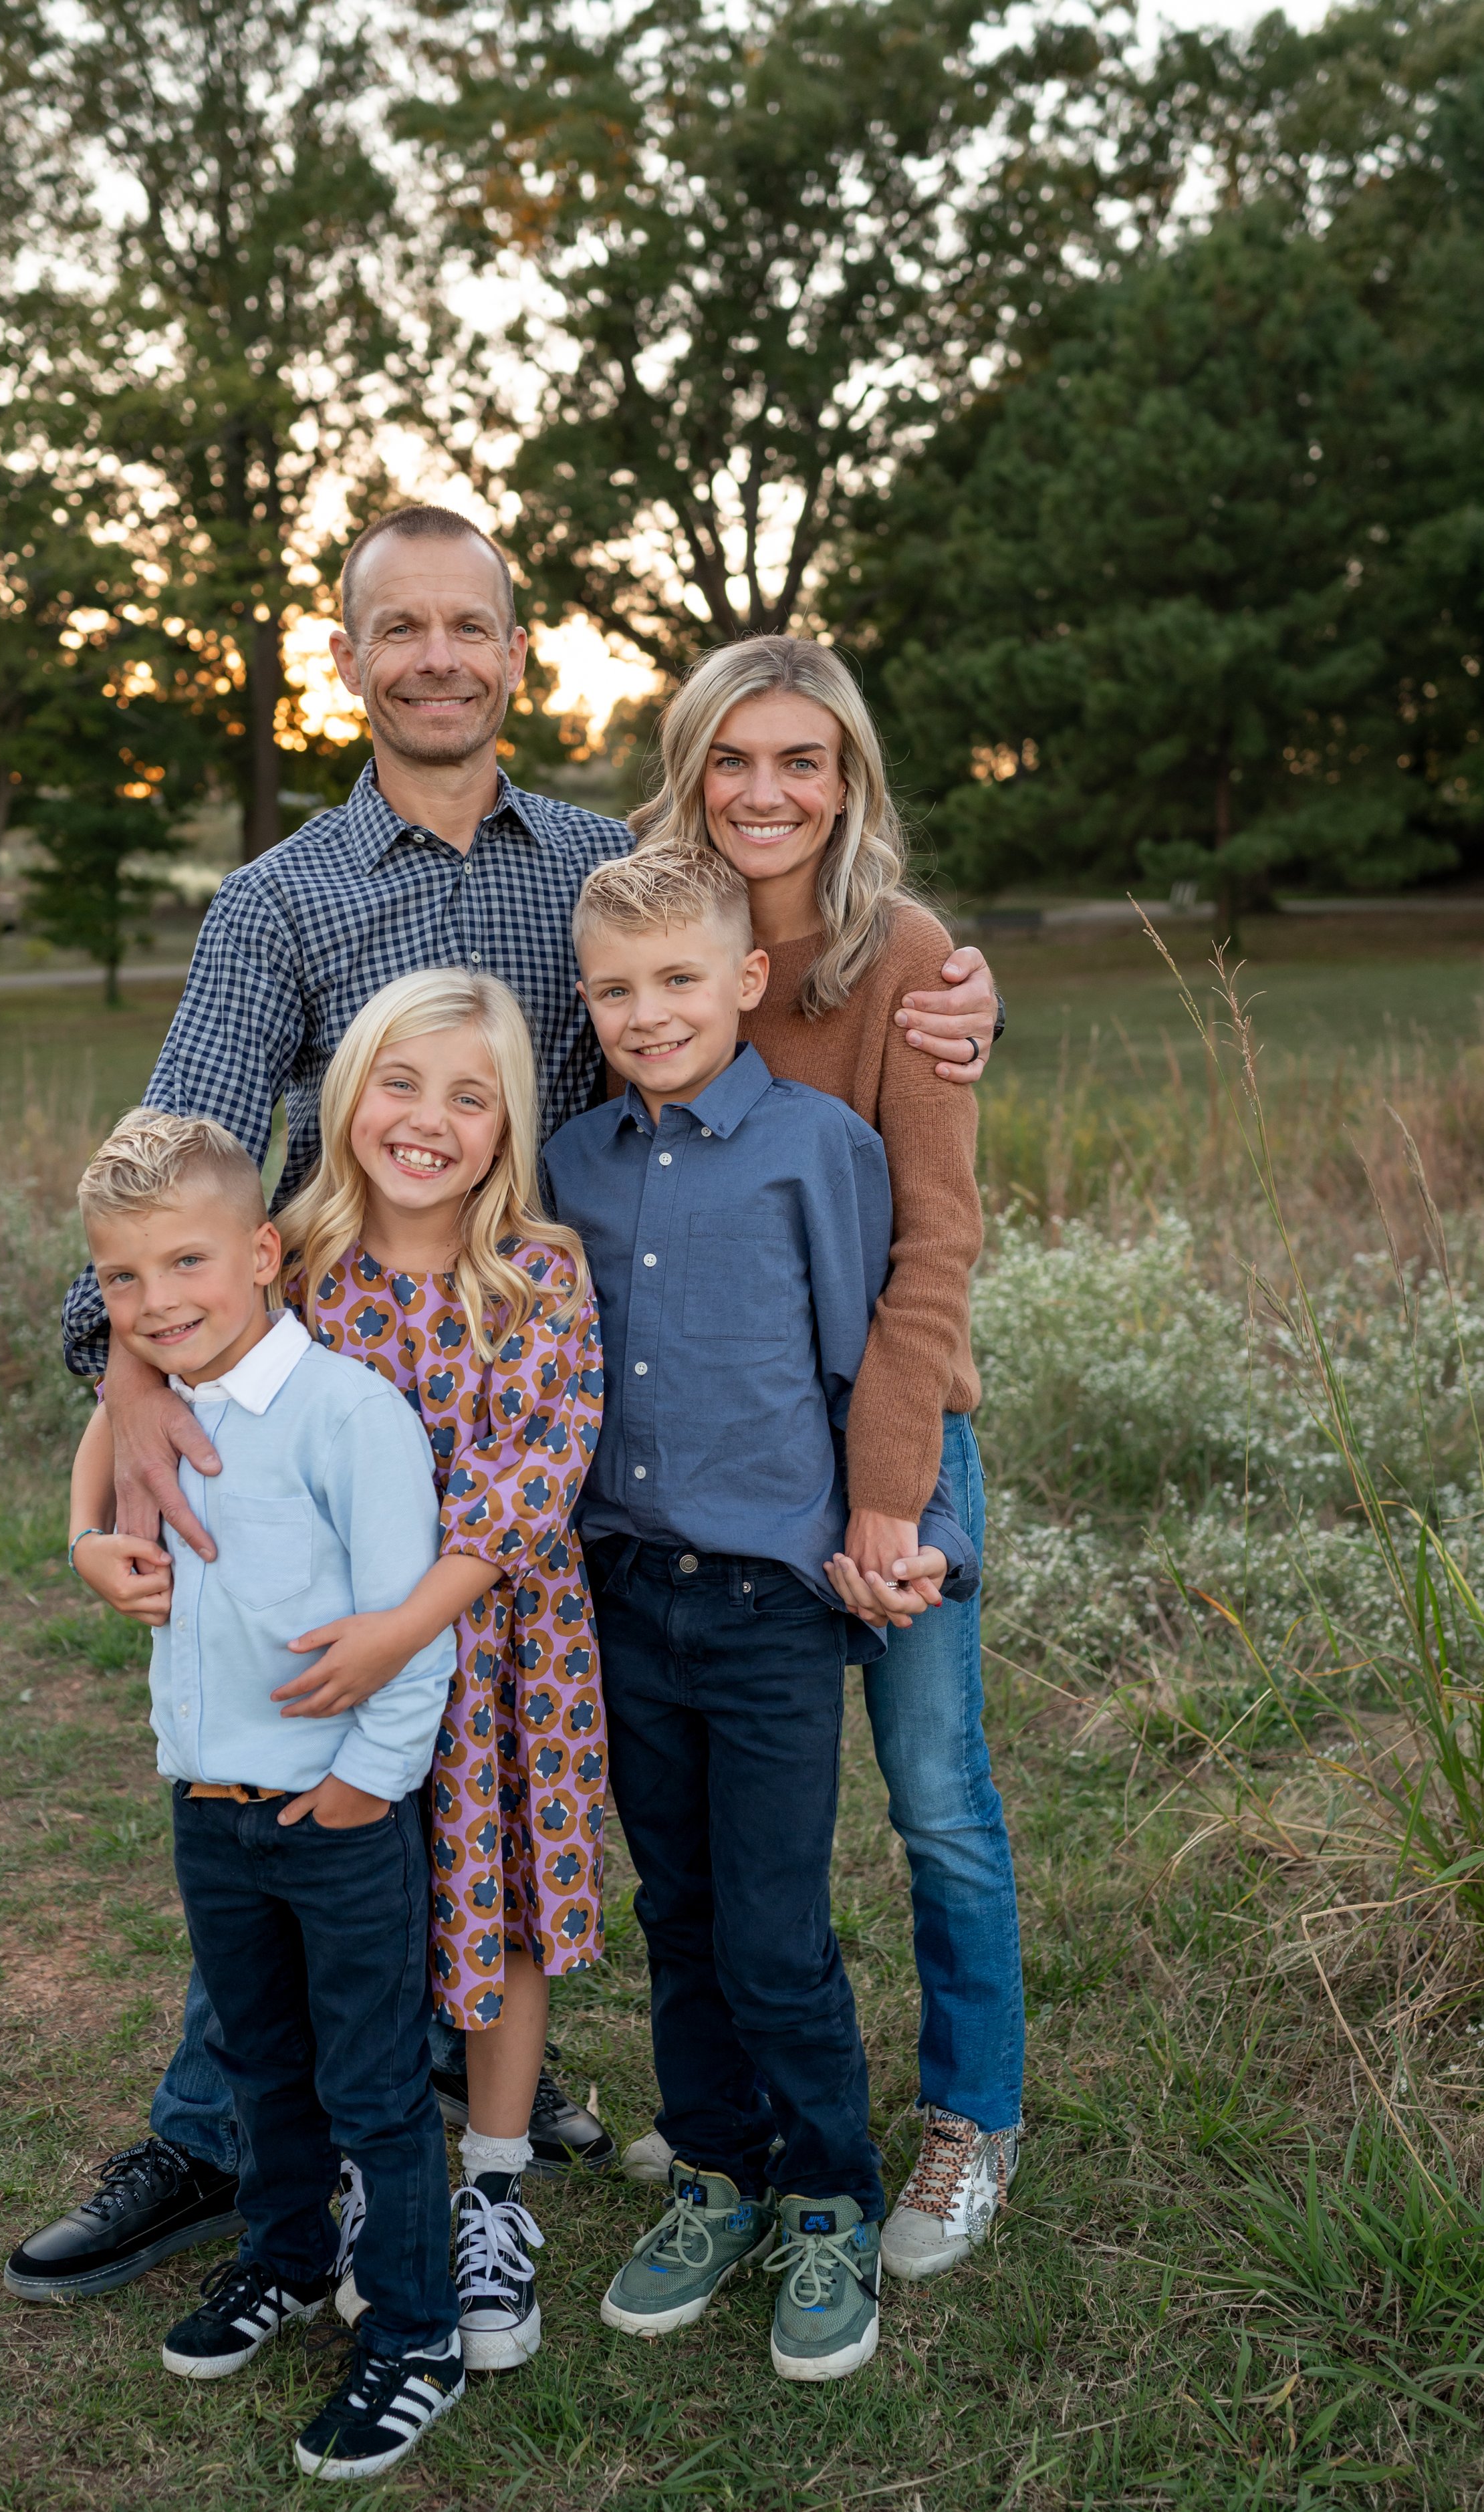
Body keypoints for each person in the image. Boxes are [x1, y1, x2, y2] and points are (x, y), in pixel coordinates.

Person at [16, 499, 1002, 2298]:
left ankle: (533, 2101)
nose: (440, 656)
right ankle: (219, 2119)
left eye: (470, 626)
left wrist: (953, 981)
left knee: (525, 1792)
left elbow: (766, 955)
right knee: (308, 1748)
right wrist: (132, 1369)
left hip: (560, 1422)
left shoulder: (591, 868)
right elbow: (181, 1165)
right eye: (402, 630)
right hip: (346, 1394)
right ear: (349, 659)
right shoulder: (279, 902)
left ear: (516, 653)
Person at [617, 636, 1023, 2286]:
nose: (765, 792)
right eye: (733, 758)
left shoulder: (905, 956)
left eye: (802, 760)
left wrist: (886, 1498)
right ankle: (747, 2108)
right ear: (690, 769)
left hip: (888, 1454)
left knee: (932, 1799)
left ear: (845, 778)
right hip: (716, 1475)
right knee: (718, 1831)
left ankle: (967, 2117)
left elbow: (934, 1250)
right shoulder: (655, 940)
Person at [545, 846, 910, 2384]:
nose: (648, 1012)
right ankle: (715, 2173)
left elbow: (870, 1359)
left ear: (744, 981)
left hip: (767, 1608)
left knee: (770, 1933)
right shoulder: (568, 1165)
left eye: (679, 979)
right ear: (586, 1003)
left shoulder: (813, 1148)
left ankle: (826, 2194)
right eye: (616, 989)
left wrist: (915, 1529)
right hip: (622, 1598)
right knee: (673, 1914)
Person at [61, 1110, 464, 2481]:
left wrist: (363, 1789)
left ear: (262, 1252)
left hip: (335, 1818)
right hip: (209, 1813)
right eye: (122, 1280)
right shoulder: (154, 1423)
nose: (155, 1301)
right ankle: (288, 2258)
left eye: (184, 1263)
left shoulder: (347, 1413)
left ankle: (414, 2331)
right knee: (256, 2062)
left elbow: (416, 1629)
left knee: (372, 2085)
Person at [274, 967, 605, 2374]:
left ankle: (488, 2187)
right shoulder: (289, 1267)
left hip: (499, 1653)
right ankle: (376, 2177)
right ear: (348, 1094)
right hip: (332, 1656)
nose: (427, 1120)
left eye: (468, 1098)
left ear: (506, 1127)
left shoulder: (537, 1271)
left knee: (504, 1898)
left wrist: (409, 1626)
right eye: (399, 1084)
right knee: (358, 1913)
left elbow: (536, 1476)